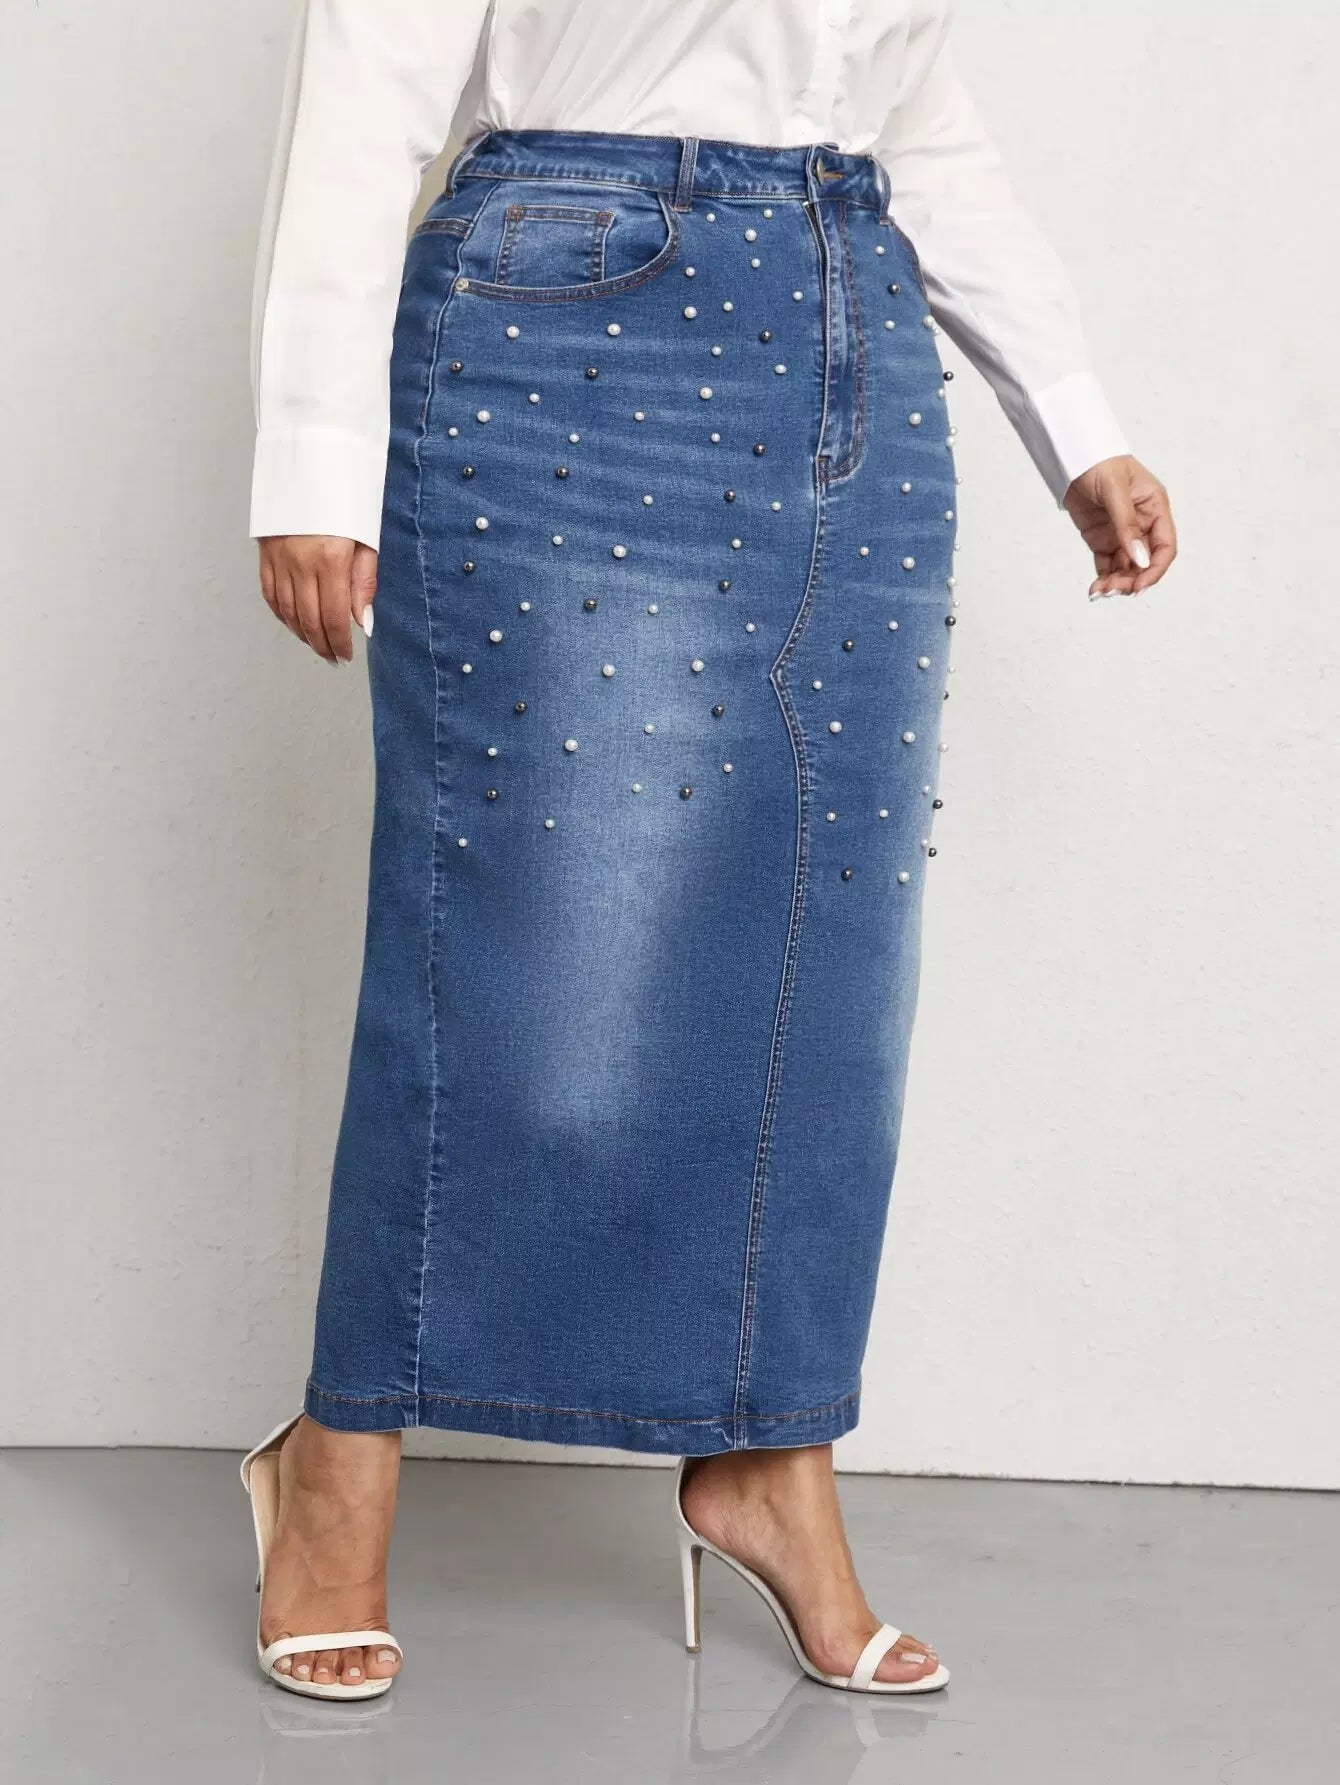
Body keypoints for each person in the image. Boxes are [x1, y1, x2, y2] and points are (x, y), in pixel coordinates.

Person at [244, 0, 1177, 1702]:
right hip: (560, 323)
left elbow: (914, 103)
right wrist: (313, 447)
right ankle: (339, 1452)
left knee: (828, 959)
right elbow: (373, 61)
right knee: (506, 948)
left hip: (854, 327)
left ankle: (770, 1453)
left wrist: (1074, 416)